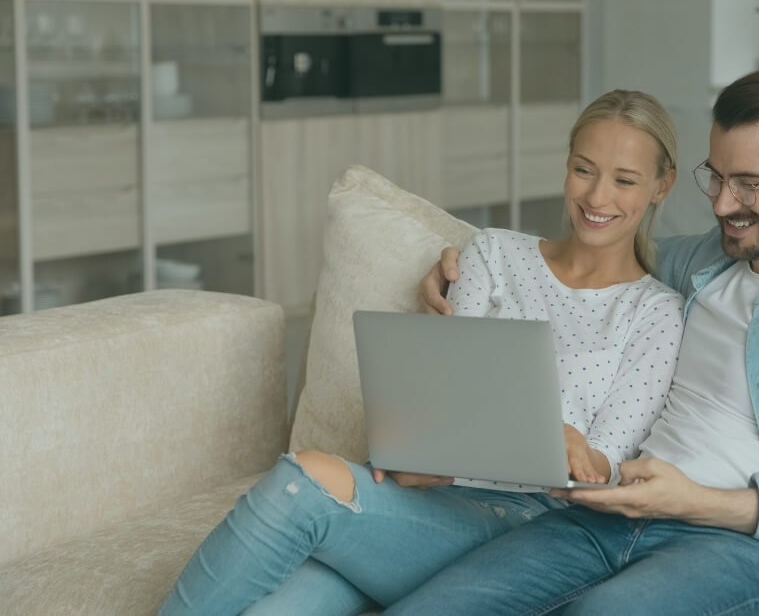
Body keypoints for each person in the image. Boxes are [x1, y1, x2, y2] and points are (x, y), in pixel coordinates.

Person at [403, 68, 759, 616]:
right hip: (609, 519)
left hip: (752, 550)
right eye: (716, 177)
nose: (724, 205)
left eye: (748, 184)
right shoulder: (696, 263)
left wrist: (695, 502)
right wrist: (454, 263)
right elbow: (586, 257)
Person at [158, 89, 686, 615]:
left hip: (529, 528)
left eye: (625, 180)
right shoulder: (495, 253)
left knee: (305, 481)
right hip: (424, 496)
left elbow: (606, 471)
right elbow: (441, 388)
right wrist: (412, 451)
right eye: (584, 169)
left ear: (662, 186)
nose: (597, 197)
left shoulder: (655, 313)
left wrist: (564, 441)